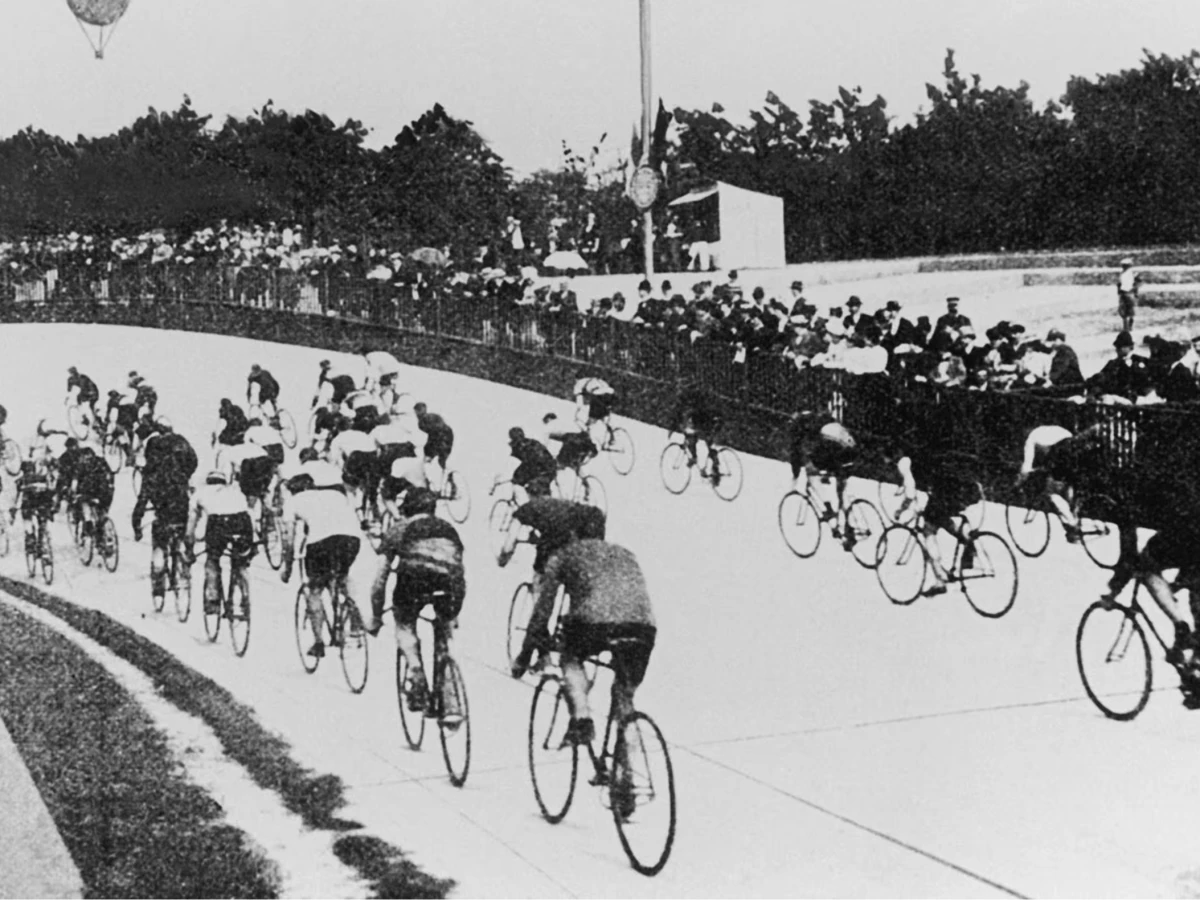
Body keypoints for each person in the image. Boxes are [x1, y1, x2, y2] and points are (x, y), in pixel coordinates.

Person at [510, 537, 657, 817]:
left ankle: (582, 718)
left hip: (594, 620)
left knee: (570, 657)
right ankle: (626, 780)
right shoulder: (624, 551)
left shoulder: (561, 556)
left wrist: (526, 654)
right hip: (642, 626)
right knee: (624, 695)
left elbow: (542, 611)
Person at [367, 487, 467, 716]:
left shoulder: (399, 528)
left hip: (414, 580)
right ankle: (451, 704)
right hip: (450, 583)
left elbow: (380, 578)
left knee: (404, 623)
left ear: (407, 509)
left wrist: (376, 615)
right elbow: (458, 569)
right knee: (444, 633)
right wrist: (453, 613)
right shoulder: (449, 529)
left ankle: (415, 669)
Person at [280, 463, 363, 660]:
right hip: (351, 538)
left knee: (314, 590)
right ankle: (355, 616)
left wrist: (288, 568)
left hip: (321, 542)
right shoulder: (334, 494)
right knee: (343, 576)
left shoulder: (292, 501)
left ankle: (318, 643)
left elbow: (289, 540)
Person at [133, 427, 198, 610]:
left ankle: (158, 591)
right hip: (181, 514)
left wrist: (137, 527)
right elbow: (193, 461)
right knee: (183, 535)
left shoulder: (151, 476)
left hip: (163, 518)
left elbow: (141, 504)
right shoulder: (180, 472)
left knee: (159, 550)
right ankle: (186, 555)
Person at [498, 495, 607, 603]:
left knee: (542, 570)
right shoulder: (557, 504)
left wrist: (504, 556)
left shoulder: (525, 511)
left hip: (559, 530)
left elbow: (509, 543)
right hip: (587, 520)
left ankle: (539, 604)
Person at [187, 469, 256, 618]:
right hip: (242, 522)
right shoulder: (236, 492)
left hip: (218, 523)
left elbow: (191, 522)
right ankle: (243, 593)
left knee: (212, 559)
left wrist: (189, 545)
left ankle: (212, 597)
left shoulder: (200, 493)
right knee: (240, 561)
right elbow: (250, 513)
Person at [788, 411, 859, 543]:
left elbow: (795, 454)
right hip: (850, 447)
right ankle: (850, 527)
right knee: (841, 489)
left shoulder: (799, 427)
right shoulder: (819, 417)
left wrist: (795, 476)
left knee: (812, 472)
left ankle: (828, 509)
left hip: (832, 445)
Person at [57, 438, 113, 538]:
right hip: (99, 489)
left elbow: (74, 477)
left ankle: (90, 525)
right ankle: (95, 524)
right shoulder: (97, 461)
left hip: (93, 489)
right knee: (95, 508)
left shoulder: (80, 464)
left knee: (84, 503)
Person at [328, 418, 379, 520]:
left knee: (350, 487)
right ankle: (371, 510)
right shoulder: (362, 434)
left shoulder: (337, 439)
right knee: (367, 485)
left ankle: (354, 512)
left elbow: (333, 460)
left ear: (337, 428)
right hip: (372, 458)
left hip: (356, 458)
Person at [669, 384, 722, 475]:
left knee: (696, 437)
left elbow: (679, 412)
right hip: (705, 419)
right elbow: (680, 412)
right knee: (699, 437)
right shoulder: (692, 395)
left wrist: (673, 427)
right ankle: (705, 460)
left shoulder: (687, 397)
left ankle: (701, 460)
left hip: (703, 419)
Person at [1088, 331, 1150, 403]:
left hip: (1130, 399)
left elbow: (1145, 384)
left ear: (1130, 347)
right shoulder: (1112, 363)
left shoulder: (1138, 361)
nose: (1118, 350)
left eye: (1121, 347)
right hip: (1112, 397)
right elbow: (1100, 377)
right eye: (1117, 347)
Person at [507, 427, 557, 499]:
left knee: (535, 488)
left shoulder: (529, 446)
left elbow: (529, 463)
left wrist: (517, 477)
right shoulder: (530, 444)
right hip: (544, 471)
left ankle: (543, 501)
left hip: (544, 472)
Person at [414, 402, 455, 479]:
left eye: (419, 411)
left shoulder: (425, 420)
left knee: (437, 459)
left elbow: (435, 433)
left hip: (443, 436)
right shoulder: (427, 419)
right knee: (439, 459)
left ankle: (445, 478)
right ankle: (445, 477)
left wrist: (429, 450)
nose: (417, 414)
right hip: (446, 435)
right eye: (417, 411)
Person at [1117, 257, 1138, 333]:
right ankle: (1126, 327)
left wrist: (1135, 292)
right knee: (1124, 311)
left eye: (1125, 265)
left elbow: (1137, 284)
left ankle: (1129, 326)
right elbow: (1119, 284)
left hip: (1129, 293)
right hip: (1124, 293)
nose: (1124, 267)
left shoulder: (1133, 274)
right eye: (1123, 265)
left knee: (1130, 311)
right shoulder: (1122, 274)